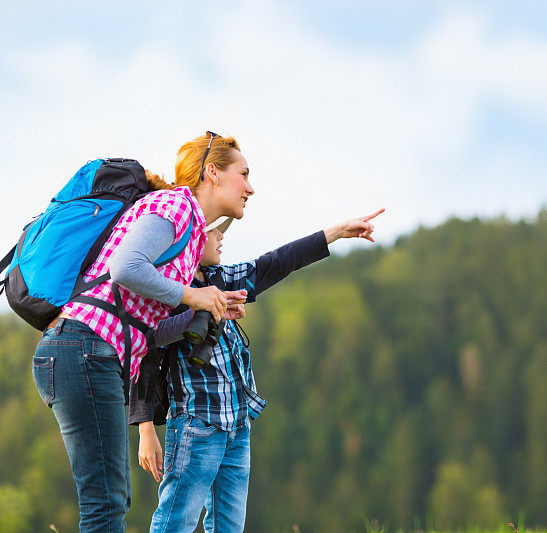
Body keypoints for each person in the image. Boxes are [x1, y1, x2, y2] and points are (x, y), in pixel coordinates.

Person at [31, 132, 252, 531]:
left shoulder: (186, 236)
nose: (251, 187)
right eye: (244, 174)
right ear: (213, 173)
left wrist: (204, 310)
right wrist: (192, 296)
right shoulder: (177, 205)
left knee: (110, 499)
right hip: (83, 350)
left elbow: (147, 331)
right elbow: (125, 268)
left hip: (87, 354)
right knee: (106, 502)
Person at [131, 207, 384, 532]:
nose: (221, 236)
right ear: (189, 238)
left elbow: (277, 261)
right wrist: (146, 429)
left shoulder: (221, 278)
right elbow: (143, 354)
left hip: (237, 426)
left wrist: (334, 233)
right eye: (213, 231)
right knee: (174, 524)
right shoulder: (166, 291)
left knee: (229, 528)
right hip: (197, 426)